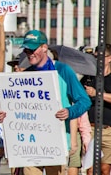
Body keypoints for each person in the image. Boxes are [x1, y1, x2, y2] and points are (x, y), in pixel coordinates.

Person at [19, 30, 91, 175]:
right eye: (26, 50)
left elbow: (84, 101)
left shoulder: (63, 70)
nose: (29, 53)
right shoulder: (26, 75)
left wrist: (69, 112)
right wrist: (3, 114)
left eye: (32, 49)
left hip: (56, 142)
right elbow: (14, 107)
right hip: (31, 144)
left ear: (44, 47)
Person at [80, 43, 111, 175]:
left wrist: (97, 94)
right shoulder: (88, 78)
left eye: (101, 57)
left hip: (108, 130)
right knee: (90, 168)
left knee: (105, 169)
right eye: (95, 57)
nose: (98, 60)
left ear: (109, 58)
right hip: (91, 129)